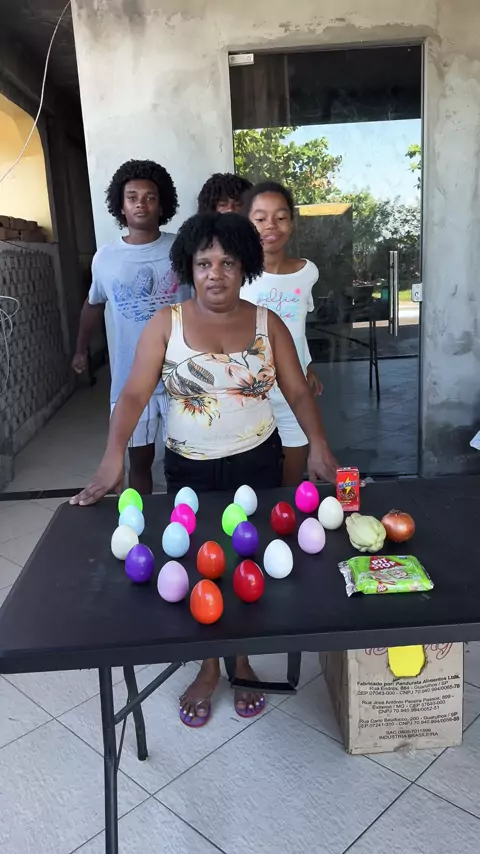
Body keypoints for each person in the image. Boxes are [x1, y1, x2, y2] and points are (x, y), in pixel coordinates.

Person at [71, 212, 337, 726]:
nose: (216, 273)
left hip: (257, 459)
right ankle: (210, 665)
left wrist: (319, 446)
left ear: (245, 267)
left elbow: (298, 391)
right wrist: (111, 459)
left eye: (228, 263)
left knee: (246, 559)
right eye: (204, 263)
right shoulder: (165, 324)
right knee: (200, 561)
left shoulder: (267, 323)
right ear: (189, 268)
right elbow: (133, 394)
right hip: (190, 468)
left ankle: (241, 659)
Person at [71, 159, 189, 495]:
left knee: (185, 461)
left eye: (150, 197)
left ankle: (184, 515)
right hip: (130, 380)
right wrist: (81, 349)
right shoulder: (105, 257)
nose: (141, 204)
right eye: (132, 197)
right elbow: (93, 305)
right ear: (120, 206)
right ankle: (142, 517)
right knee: (139, 461)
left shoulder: (182, 249)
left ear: (162, 205)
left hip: (182, 376)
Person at [242, 180, 323, 486]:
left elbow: (298, 328)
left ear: (292, 222)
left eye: (280, 217)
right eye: (260, 218)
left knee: (291, 477)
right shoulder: (237, 276)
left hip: (294, 390)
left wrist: (308, 365)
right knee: (252, 479)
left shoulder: (307, 272)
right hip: (249, 391)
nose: (270, 226)